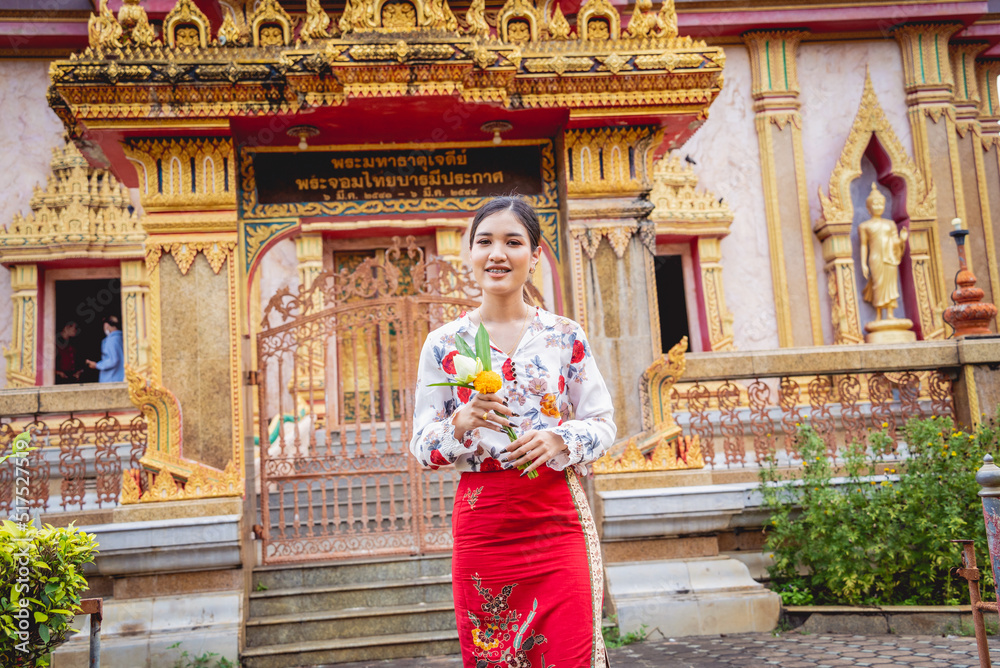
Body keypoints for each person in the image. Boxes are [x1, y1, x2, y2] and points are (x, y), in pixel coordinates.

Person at [410, 196, 616, 668]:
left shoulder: (563, 335)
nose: (497, 254)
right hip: (484, 525)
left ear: (535, 255)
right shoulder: (444, 343)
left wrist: (561, 438)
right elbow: (422, 447)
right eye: (484, 241)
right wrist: (460, 424)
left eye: (513, 242)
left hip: (556, 516)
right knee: (494, 658)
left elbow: (603, 423)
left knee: (570, 655)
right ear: (470, 253)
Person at [86, 315, 124, 382]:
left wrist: (97, 365)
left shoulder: (110, 340)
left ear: (106, 325)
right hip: (121, 378)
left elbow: (113, 360)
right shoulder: (122, 338)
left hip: (111, 379)